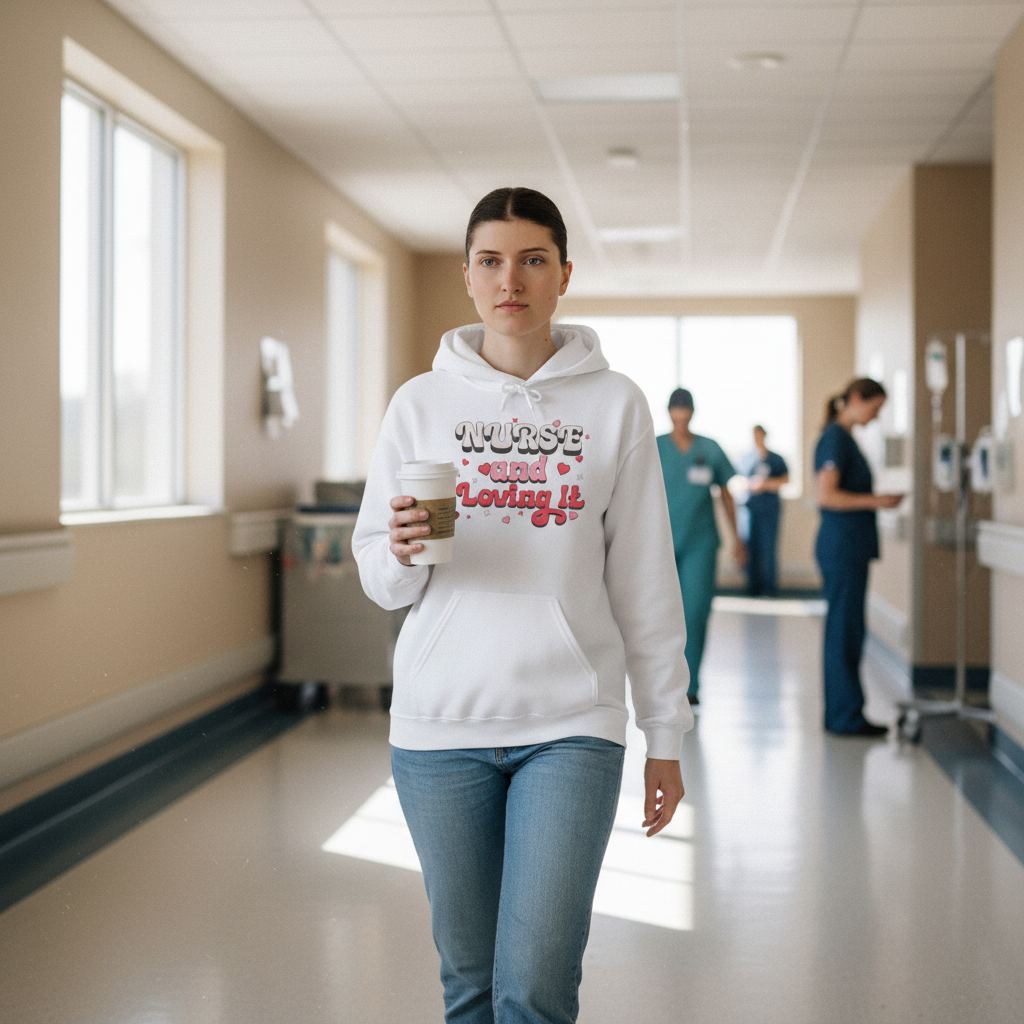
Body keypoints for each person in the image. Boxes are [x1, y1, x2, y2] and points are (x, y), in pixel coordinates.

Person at [352, 187, 693, 1024]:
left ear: (564, 274)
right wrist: (400, 552)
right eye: (492, 261)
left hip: (571, 723)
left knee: (536, 984)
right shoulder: (420, 404)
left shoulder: (615, 404)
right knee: (469, 982)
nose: (512, 281)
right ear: (467, 276)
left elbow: (646, 582)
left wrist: (666, 733)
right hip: (439, 728)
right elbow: (382, 578)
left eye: (533, 260)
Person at [814, 378, 903, 737]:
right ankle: (844, 716)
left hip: (848, 547)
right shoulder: (835, 438)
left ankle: (845, 711)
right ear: (855, 398)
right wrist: (877, 501)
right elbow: (827, 496)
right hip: (842, 547)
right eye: (875, 408)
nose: (876, 416)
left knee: (847, 629)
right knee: (843, 631)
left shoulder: (844, 438)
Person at [657, 388, 746, 705]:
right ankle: (662, 683)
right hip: (660, 543)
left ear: (692, 413)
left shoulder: (709, 448)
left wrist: (737, 539)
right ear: (669, 413)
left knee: (695, 612)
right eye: (676, 411)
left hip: (700, 543)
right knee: (660, 616)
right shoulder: (654, 447)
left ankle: (690, 685)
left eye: (686, 411)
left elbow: (726, 494)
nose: (681, 417)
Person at [738, 425, 789, 597]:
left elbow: (785, 479)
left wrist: (764, 484)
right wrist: (749, 485)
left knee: (768, 549)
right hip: (749, 510)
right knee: (750, 549)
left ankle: (769, 589)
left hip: (769, 510)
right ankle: (752, 588)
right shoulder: (746, 459)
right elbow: (738, 480)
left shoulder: (775, 459)